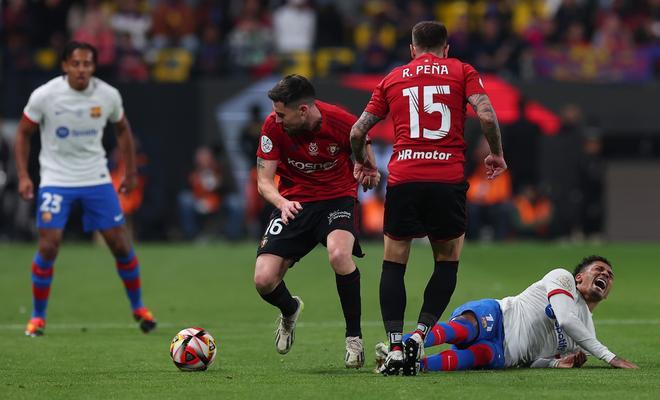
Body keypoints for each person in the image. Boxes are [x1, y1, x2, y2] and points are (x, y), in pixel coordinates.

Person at [350, 21, 507, 376]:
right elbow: (485, 114)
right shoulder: (462, 71)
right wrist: (496, 153)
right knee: (447, 261)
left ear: (412, 49)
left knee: (394, 263)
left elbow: (358, 130)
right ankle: (419, 336)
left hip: (404, 178)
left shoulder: (393, 77)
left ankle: (393, 346)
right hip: (447, 179)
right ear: (446, 48)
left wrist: (363, 163)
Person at [14, 41, 156, 337]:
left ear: (94, 66)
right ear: (65, 66)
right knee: (49, 245)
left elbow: (123, 131)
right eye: (76, 64)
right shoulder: (45, 95)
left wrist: (129, 172)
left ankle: (139, 307)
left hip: (96, 178)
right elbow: (23, 133)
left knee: (119, 243)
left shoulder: (107, 95)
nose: (82, 69)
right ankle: (37, 317)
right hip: (55, 179)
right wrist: (24, 175)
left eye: (87, 64)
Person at [254, 74, 378, 369]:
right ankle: (290, 309)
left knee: (338, 254)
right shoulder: (273, 126)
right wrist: (282, 202)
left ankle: (354, 339)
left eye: (282, 113)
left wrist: (367, 169)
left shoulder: (343, 123)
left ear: (304, 110)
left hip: (337, 200)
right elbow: (263, 181)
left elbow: (365, 157)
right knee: (263, 280)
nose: (276, 118)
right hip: (294, 202)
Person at [375, 255, 638, 372]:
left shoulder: (586, 334)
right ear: (580, 277)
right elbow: (566, 319)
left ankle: (405, 365)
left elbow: (535, 360)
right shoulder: (563, 278)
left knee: (466, 361)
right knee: (464, 329)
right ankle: (395, 346)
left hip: (505, 354)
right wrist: (609, 356)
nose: (605, 274)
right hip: (500, 315)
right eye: (599, 269)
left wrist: (558, 363)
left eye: (610, 275)